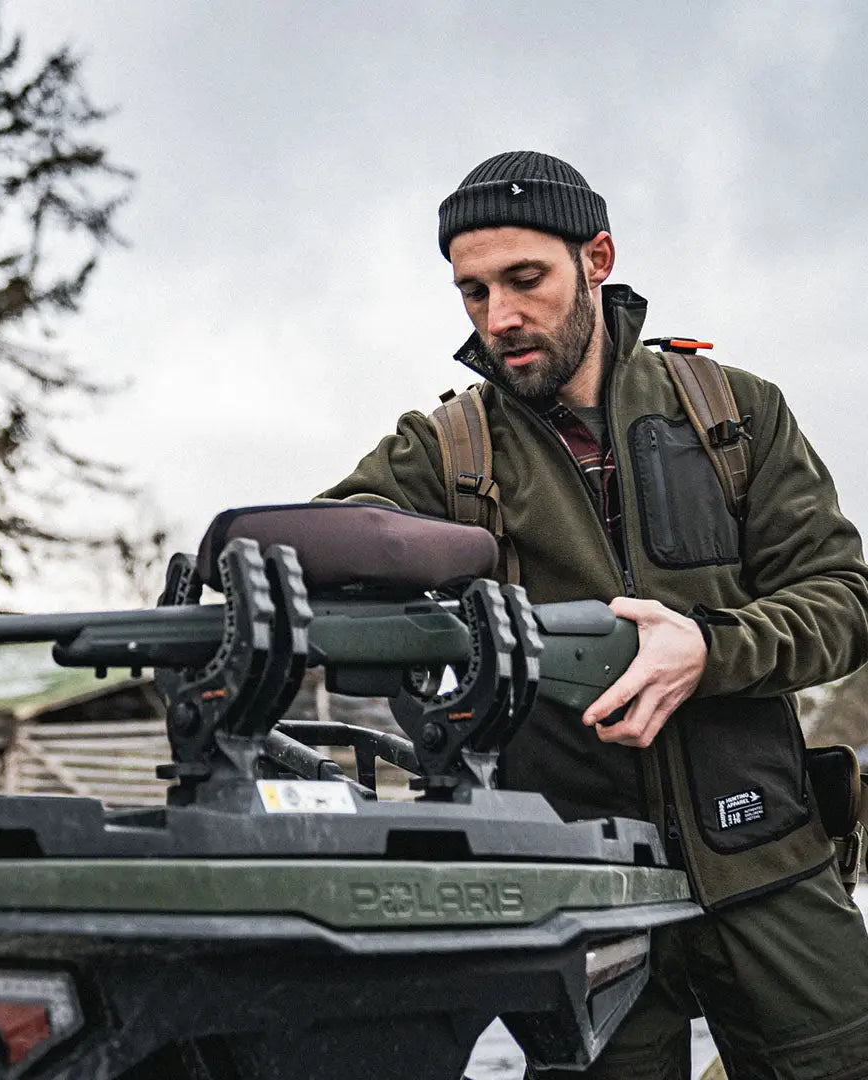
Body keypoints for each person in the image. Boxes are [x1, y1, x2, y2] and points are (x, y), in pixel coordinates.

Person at [318, 151, 868, 1079]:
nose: (500, 318)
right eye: (472, 292)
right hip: (581, 896)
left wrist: (709, 649)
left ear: (598, 257)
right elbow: (330, 541)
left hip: (768, 863)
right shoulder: (446, 449)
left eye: (524, 280)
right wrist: (249, 555)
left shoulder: (732, 413)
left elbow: (844, 601)